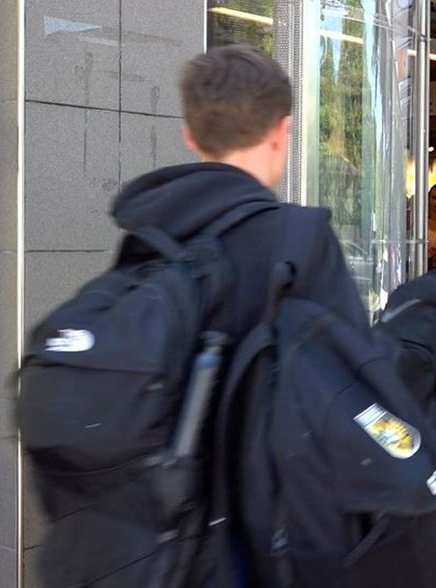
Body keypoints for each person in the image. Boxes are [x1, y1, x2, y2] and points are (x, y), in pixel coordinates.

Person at [111, 44, 370, 583]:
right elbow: (357, 400)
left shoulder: (146, 239)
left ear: (190, 135)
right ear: (282, 131)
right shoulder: (303, 240)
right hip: (268, 545)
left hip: (166, 547)